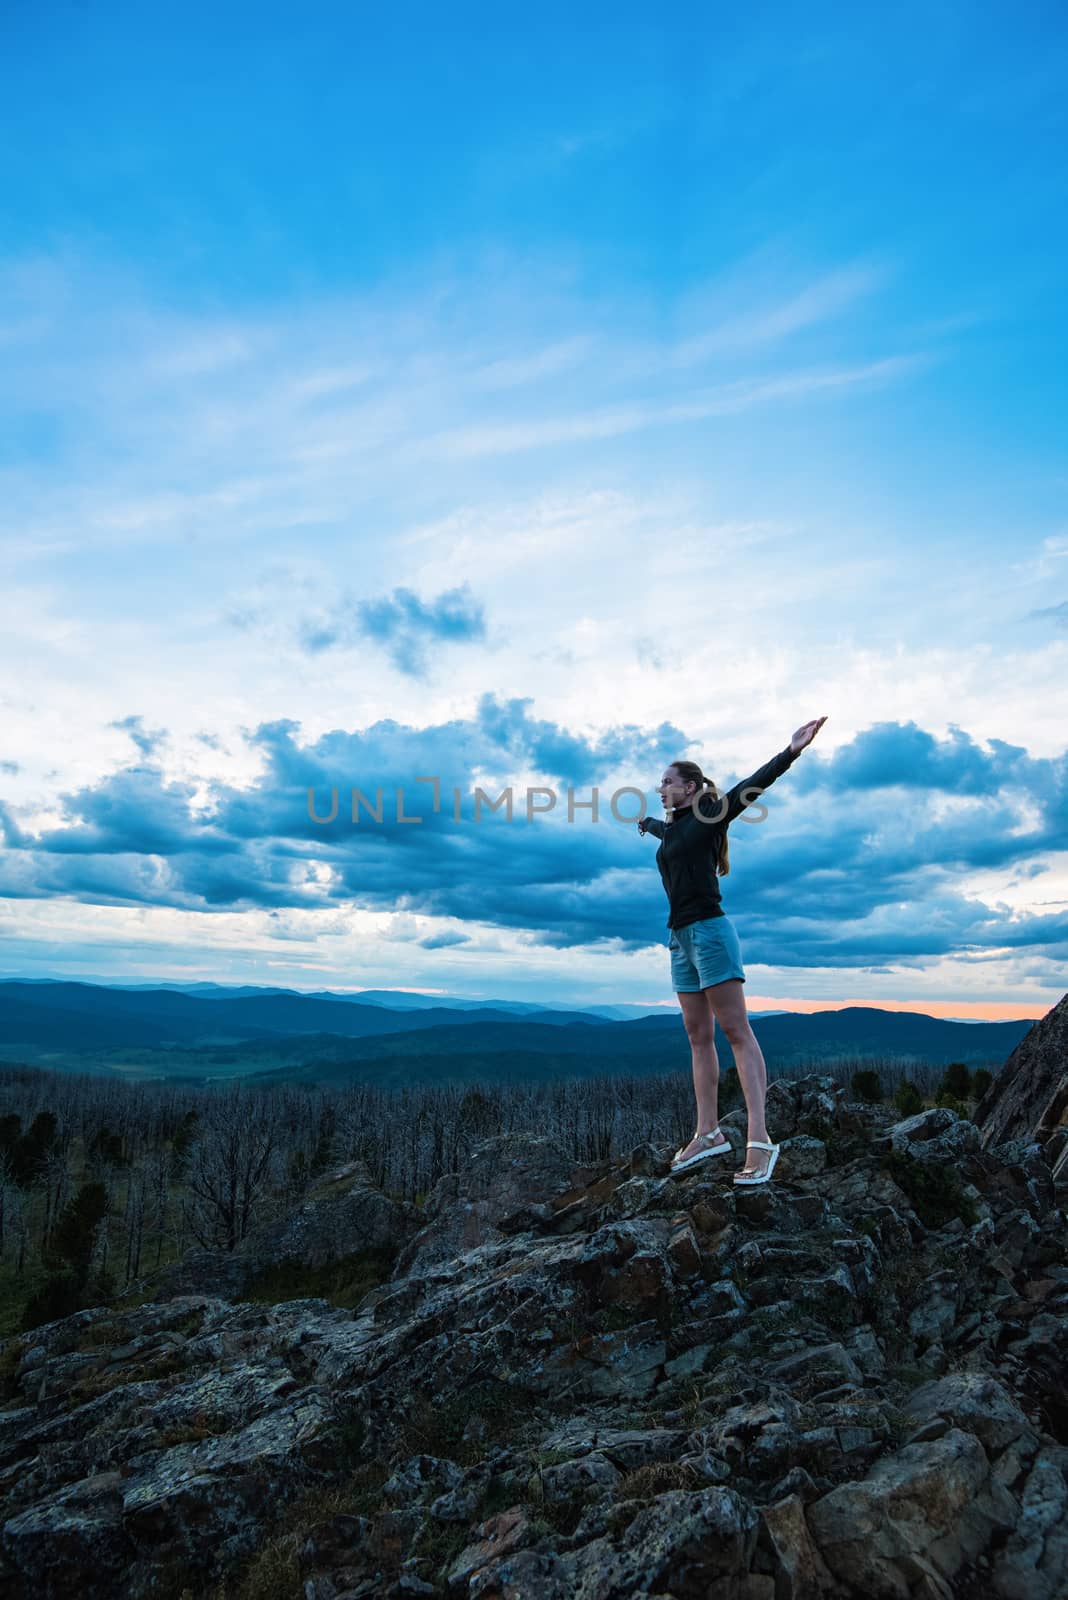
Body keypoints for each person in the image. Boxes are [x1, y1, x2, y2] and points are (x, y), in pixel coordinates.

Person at [638, 717, 828, 1185]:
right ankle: (708, 1133)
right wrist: (648, 824)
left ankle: (760, 1140)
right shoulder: (678, 828)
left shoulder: (707, 817)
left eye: (667, 782)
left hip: (710, 933)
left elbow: (750, 788)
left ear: (691, 787)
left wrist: (790, 752)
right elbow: (673, 841)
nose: (660, 788)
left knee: (736, 1032)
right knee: (697, 1036)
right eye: (659, 782)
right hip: (680, 938)